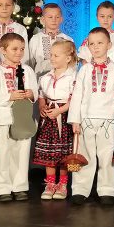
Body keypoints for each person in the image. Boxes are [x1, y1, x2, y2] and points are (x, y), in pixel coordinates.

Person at [68, 27, 114, 205]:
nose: (96, 47)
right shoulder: (84, 70)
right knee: (85, 154)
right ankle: (80, 189)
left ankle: (106, 190)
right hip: (87, 118)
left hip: (108, 118)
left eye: (100, 43)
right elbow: (77, 95)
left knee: (106, 156)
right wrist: (75, 119)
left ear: (109, 45)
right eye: (92, 44)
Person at [0, 33, 37, 202]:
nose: (19, 52)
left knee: (22, 153)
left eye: (22, 49)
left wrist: (31, 94)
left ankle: (20, 186)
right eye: (14, 49)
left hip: (23, 118)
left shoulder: (28, 70)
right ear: (3, 50)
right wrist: (9, 96)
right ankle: (2, 188)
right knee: (4, 153)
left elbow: (35, 92)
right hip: (4, 118)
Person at [34, 39, 78, 201]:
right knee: (49, 152)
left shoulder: (73, 77)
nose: (52, 58)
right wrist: (42, 107)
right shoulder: (45, 77)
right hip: (49, 118)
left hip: (64, 116)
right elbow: (41, 95)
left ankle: (63, 184)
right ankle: (50, 183)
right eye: (51, 55)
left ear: (68, 58)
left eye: (56, 55)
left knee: (63, 152)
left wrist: (59, 110)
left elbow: (74, 99)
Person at [77, 1, 114, 70]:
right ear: (97, 17)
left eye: (109, 16)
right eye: (102, 16)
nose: (106, 20)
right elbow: (84, 60)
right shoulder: (90, 38)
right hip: (92, 73)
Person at [28, 3, 73, 78]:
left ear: (61, 19)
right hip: (40, 79)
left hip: (63, 80)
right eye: (50, 17)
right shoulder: (35, 39)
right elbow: (30, 64)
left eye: (57, 17)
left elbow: (72, 63)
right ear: (43, 19)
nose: (54, 20)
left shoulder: (68, 40)